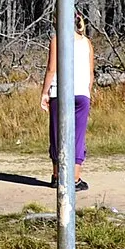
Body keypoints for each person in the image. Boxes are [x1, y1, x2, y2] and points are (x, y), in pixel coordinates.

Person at [40, 11, 95, 190]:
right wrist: (88, 92)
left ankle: (58, 175)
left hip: (61, 92)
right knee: (78, 136)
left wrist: (44, 92)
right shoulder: (87, 42)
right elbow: (91, 73)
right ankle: (75, 177)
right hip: (81, 93)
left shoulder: (57, 40)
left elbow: (51, 69)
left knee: (58, 134)